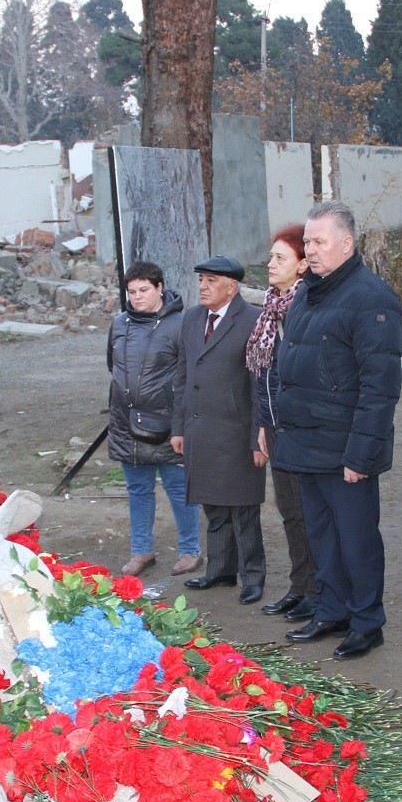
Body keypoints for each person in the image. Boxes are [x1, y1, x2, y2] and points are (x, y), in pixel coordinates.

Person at [274, 201, 402, 660]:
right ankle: (331, 610)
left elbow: (380, 387)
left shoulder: (372, 299)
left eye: (318, 241)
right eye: (306, 241)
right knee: (321, 535)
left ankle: (367, 622)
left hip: (346, 447)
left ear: (346, 244)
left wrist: (360, 455)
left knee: (357, 539)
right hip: (306, 440)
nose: (309, 249)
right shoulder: (308, 293)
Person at [173, 256, 267, 605]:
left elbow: (261, 383)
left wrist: (261, 436)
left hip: (238, 430)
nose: (203, 286)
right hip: (200, 429)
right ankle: (220, 571)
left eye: (211, 280)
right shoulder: (193, 318)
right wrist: (178, 427)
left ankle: (253, 576)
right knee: (212, 505)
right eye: (201, 279)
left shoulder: (255, 320)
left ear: (232, 286)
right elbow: (182, 375)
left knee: (243, 509)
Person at [106, 262, 202, 578]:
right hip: (125, 422)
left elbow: (190, 375)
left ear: (160, 287)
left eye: (144, 290)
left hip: (166, 424)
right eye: (132, 292)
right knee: (137, 490)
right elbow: (114, 365)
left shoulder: (181, 324)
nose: (137, 297)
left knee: (179, 489)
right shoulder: (119, 324)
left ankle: (190, 551)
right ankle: (142, 551)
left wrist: (180, 421)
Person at [246, 225, 321, 622]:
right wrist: (262, 424)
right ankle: (300, 586)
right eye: (271, 257)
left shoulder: (303, 309)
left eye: (280, 258)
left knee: (309, 513)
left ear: (302, 266)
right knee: (289, 510)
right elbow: (264, 377)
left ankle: (317, 591)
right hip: (275, 426)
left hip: (301, 428)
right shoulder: (270, 307)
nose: (271, 265)